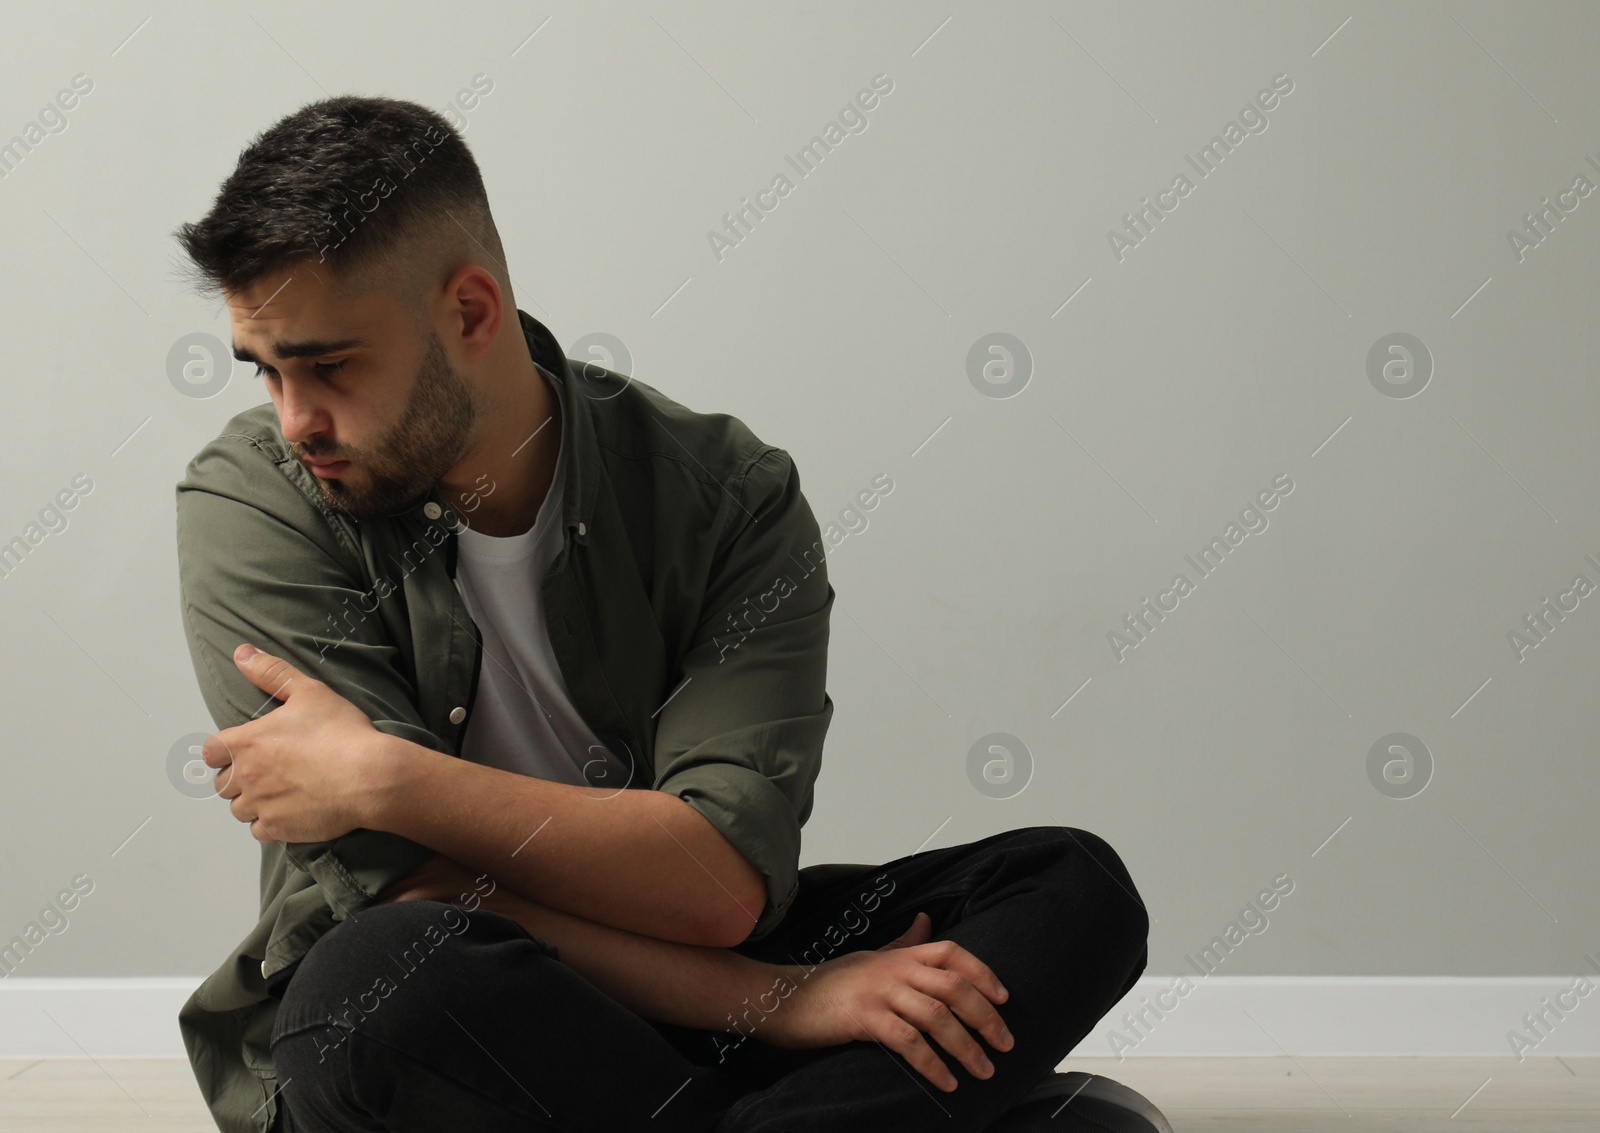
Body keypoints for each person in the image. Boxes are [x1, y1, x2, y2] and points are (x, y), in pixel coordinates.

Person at [170, 95, 1164, 1133]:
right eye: (266, 369)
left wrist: (391, 774)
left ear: (471, 311)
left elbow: (718, 886)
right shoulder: (255, 499)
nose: (296, 421)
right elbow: (406, 891)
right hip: (462, 1010)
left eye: (330, 365)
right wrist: (781, 1005)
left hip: (680, 990)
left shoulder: (726, 496)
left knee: (1066, 885)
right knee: (371, 980)